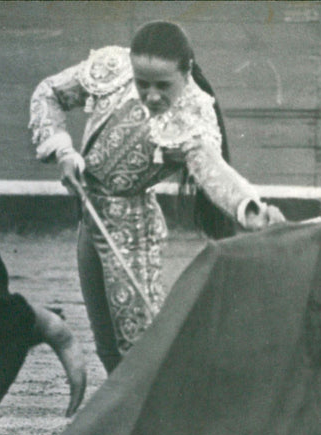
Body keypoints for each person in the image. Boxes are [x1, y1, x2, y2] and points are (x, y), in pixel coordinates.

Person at [28, 21, 286, 373]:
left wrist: (249, 208)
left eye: (163, 86)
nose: (150, 95)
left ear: (187, 71)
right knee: (106, 343)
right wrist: (64, 151)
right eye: (142, 83)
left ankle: (160, 422)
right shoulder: (114, 66)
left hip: (131, 229)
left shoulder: (193, 115)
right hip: (89, 218)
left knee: (136, 347)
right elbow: (49, 93)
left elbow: (212, 169)